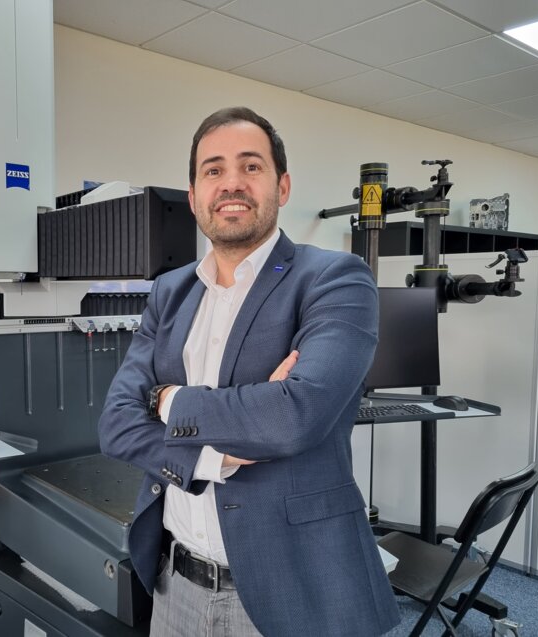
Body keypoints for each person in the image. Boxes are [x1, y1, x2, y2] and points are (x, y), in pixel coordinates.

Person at [98, 106, 399, 636]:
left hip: (294, 589)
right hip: (176, 582)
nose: (231, 183)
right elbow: (117, 425)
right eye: (212, 170)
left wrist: (167, 400)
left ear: (281, 187)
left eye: (250, 166)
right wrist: (214, 454)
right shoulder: (170, 292)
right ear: (193, 196)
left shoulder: (334, 279)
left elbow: (294, 417)